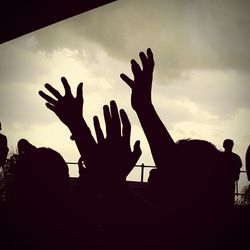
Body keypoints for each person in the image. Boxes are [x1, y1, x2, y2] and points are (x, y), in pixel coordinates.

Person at [120, 48, 229, 249]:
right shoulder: (201, 228)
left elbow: (172, 167)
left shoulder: (169, 229)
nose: (153, 172)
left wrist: (144, 107)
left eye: (161, 169)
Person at [222, 139, 242, 206]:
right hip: (231, 181)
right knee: (229, 199)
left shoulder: (220, 156)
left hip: (222, 181)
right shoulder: (236, 157)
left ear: (224, 146)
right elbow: (239, 167)